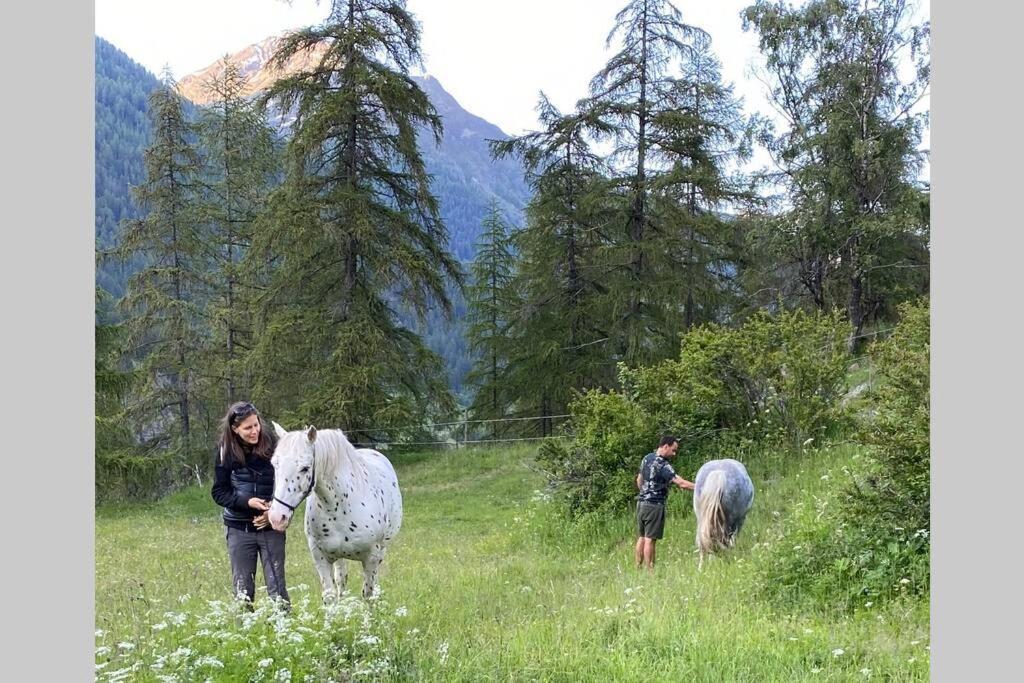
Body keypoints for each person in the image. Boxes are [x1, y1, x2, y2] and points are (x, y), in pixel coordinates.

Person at [211, 401, 290, 610]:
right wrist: (246, 502)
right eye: (248, 428)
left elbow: (287, 484)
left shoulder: (274, 446)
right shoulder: (224, 451)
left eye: (256, 425)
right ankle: (245, 634)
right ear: (235, 429)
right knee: (243, 589)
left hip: (270, 528)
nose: (254, 431)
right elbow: (219, 492)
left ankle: (283, 629)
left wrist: (272, 512)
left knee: (277, 588)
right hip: (238, 529)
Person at [634, 435, 696, 570]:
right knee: (650, 539)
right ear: (665, 446)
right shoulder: (664, 466)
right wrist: (701, 487)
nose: (674, 454)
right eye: (673, 450)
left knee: (642, 537)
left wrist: (644, 493)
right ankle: (650, 572)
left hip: (641, 503)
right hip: (654, 505)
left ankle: (637, 568)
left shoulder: (647, 458)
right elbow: (681, 483)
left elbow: (639, 479)